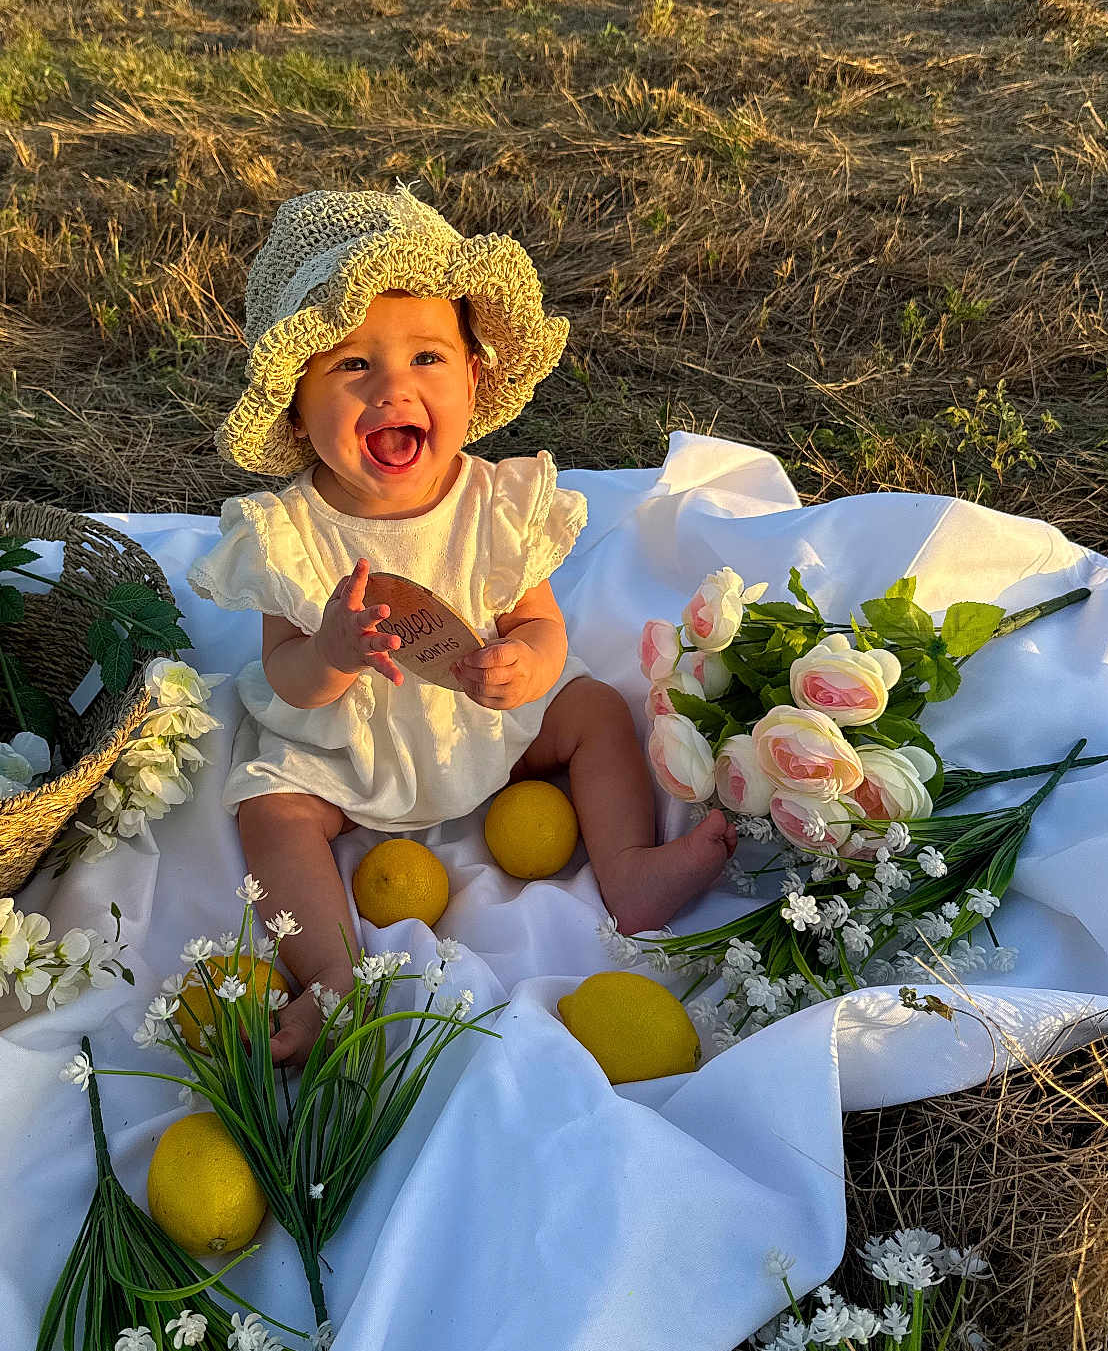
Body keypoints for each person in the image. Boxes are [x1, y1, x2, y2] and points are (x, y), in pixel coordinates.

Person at [188, 184, 735, 1062]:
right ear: (296, 405)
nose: (393, 388)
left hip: (484, 720)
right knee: (269, 805)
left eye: (427, 358)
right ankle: (329, 975)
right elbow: (280, 681)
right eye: (352, 365)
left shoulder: (499, 502)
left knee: (591, 710)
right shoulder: (287, 534)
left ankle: (628, 870)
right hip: (345, 744)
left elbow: (540, 623)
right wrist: (330, 654)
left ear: (474, 377)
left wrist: (524, 660)